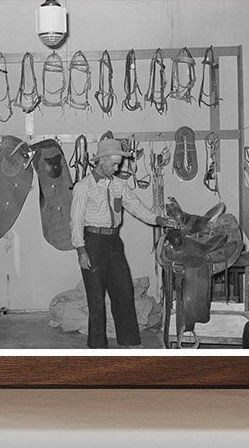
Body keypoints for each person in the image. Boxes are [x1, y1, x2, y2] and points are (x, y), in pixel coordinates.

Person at [70, 137, 173, 349]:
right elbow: (76, 221)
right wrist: (81, 250)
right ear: (102, 160)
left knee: (124, 291)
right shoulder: (84, 186)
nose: (116, 168)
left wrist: (159, 220)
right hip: (93, 242)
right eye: (113, 164)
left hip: (114, 242)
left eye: (118, 164)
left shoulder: (118, 185)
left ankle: (129, 340)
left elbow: (136, 206)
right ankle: (97, 346)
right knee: (96, 298)